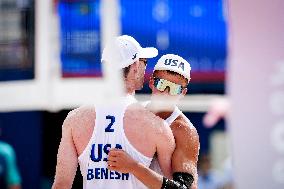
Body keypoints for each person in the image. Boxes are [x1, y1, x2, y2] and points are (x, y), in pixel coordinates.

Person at [52, 36, 175, 189]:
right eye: (145, 62)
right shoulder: (157, 127)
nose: (146, 68)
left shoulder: (75, 120)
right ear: (135, 66)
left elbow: (61, 186)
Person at [107, 54, 200, 189]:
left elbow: (183, 188)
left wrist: (133, 167)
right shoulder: (132, 112)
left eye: (174, 88)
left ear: (183, 93)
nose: (166, 92)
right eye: (162, 84)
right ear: (151, 82)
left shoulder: (183, 131)